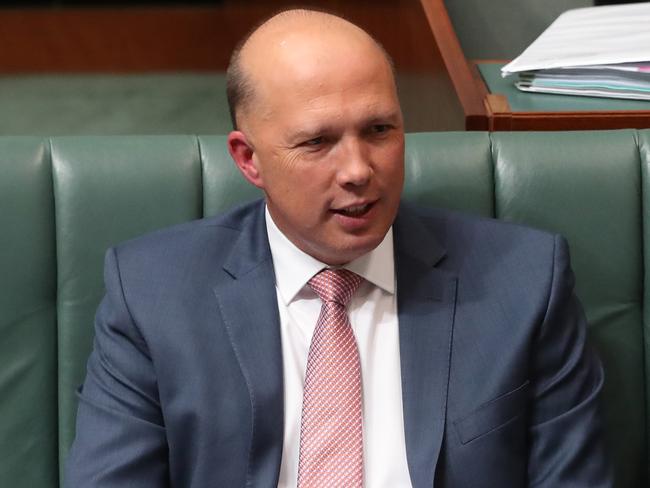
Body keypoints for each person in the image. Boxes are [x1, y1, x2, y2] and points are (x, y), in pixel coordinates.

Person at [65, 8, 612, 488]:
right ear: (248, 159)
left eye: (379, 130)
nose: (357, 171)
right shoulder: (151, 295)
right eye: (317, 142)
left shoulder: (525, 283)